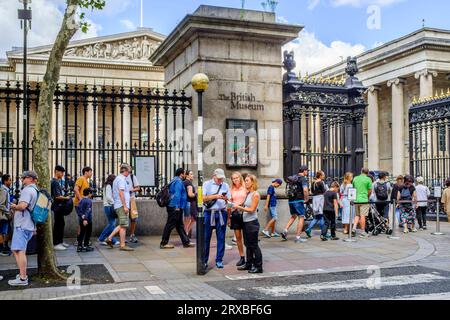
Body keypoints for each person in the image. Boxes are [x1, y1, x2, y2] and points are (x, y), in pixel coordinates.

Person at [8, 171, 39, 286]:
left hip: (22, 225)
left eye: (24, 177)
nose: (22, 179)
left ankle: (22, 278)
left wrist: (14, 206)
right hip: (29, 225)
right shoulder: (35, 190)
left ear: (30, 178)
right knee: (19, 250)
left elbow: (23, 206)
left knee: (18, 251)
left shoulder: (27, 190)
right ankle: (22, 273)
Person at [234, 175, 263, 274]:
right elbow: (245, 206)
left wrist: (239, 207)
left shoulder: (255, 194)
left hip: (252, 223)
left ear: (252, 182)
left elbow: (252, 210)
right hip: (246, 222)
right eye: (245, 181)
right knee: (247, 244)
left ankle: (259, 267)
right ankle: (249, 263)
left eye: (247, 181)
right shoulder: (248, 193)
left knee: (254, 245)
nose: (245, 182)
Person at [160, 168, 194, 250]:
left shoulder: (174, 180)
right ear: (181, 174)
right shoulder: (178, 181)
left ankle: (186, 242)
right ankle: (163, 243)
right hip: (175, 207)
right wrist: (178, 206)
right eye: (184, 173)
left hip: (175, 206)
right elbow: (177, 194)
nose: (185, 175)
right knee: (170, 224)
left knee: (180, 226)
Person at [203, 168, 230, 269]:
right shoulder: (207, 184)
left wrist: (225, 199)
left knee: (221, 237)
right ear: (213, 176)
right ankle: (204, 260)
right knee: (206, 238)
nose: (220, 180)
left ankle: (219, 260)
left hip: (221, 212)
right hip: (209, 213)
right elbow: (202, 198)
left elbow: (229, 200)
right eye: (218, 178)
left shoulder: (225, 185)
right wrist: (215, 196)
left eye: (221, 178)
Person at [105, 164, 134, 251]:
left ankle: (109, 238)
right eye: (129, 171)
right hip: (121, 205)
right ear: (125, 171)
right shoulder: (121, 180)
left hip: (119, 205)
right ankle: (122, 245)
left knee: (122, 224)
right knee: (123, 225)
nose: (129, 173)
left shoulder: (118, 179)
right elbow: (121, 193)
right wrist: (125, 206)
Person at [281, 166, 310, 243]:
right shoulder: (303, 178)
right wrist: (306, 199)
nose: (307, 172)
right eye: (307, 171)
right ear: (304, 171)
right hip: (298, 200)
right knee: (301, 217)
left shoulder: (294, 177)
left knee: (293, 215)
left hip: (291, 200)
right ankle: (298, 237)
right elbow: (305, 190)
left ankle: (285, 230)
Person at [228, 172, 247, 267]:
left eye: (236, 178)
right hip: (235, 214)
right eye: (233, 178)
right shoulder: (231, 189)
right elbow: (229, 204)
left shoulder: (246, 188)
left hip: (245, 213)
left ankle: (250, 256)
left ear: (240, 178)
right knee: (238, 238)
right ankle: (242, 257)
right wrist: (228, 218)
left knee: (247, 237)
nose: (235, 180)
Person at [51, 165, 72, 251]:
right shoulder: (55, 182)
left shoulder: (56, 182)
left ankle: (60, 241)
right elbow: (57, 196)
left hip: (58, 207)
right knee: (58, 224)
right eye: (62, 172)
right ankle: (56, 243)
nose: (63, 174)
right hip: (57, 207)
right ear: (56, 171)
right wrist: (66, 198)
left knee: (61, 224)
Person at [74, 167, 93, 245]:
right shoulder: (81, 179)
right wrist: (81, 199)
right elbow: (75, 189)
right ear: (86, 172)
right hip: (80, 205)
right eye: (90, 172)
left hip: (84, 204)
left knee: (83, 222)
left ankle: (82, 240)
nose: (91, 173)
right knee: (81, 222)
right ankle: (79, 240)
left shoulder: (86, 181)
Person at [352, 168, 373, 238]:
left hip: (356, 199)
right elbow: (370, 190)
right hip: (364, 199)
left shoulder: (355, 178)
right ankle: (363, 232)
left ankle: (354, 228)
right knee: (363, 215)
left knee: (357, 215)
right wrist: (367, 196)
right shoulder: (368, 179)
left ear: (361, 171)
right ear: (368, 173)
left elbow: (353, 188)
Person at [98, 175, 119, 246]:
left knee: (112, 224)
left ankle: (112, 239)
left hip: (108, 206)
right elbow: (108, 197)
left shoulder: (108, 186)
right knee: (112, 224)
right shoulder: (109, 186)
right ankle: (101, 238)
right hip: (109, 206)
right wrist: (115, 203)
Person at [305, 171, 326, 239]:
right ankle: (323, 232)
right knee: (321, 215)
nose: (324, 176)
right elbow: (324, 191)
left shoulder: (313, 182)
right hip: (320, 199)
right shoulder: (321, 182)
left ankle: (308, 229)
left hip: (315, 199)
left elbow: (312, 191)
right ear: (320, 176)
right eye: (323, 175)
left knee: (317, 216)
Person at [77, 188, 94, 252]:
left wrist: (81, 216)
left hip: (81, 219)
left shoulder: (81, 200)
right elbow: (88, 210)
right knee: (88, 232)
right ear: (89, 193)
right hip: (87, 220)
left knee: (82, 232)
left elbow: (78, 209)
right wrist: (85, 219)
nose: (91, 194)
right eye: (91, 193)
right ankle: (86, 245)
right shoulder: (88, 201)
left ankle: (79, 246)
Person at [127, 168, 141, 243]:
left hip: (131, 200)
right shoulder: (120, 177)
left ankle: (132, 235)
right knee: (123, 218)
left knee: (133, 218)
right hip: (123, 200)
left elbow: (138, 188)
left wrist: (131, 190)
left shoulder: (132, 177)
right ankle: (123, 236)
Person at [0, 174, 12, 256]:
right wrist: (8, 213)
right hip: (3, 215)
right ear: (5, 181)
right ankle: (2, 249)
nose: (11, 182)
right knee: (2, 232)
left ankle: (5, 247)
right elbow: (1, 204)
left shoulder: (6, 190)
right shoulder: (3, 190)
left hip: (5, 214)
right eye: (9, 180)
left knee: (6, 231)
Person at [183, 170, 198, 238]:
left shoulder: (184, 182)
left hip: (186, 203)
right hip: (189, 203)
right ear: (187, 175)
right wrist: (196, 194)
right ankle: (186, 234)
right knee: (190, 219)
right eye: (191, 174)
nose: (193, 175)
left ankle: (186, 233)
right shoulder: (189, 183)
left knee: (188, 219)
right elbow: (190, 194)